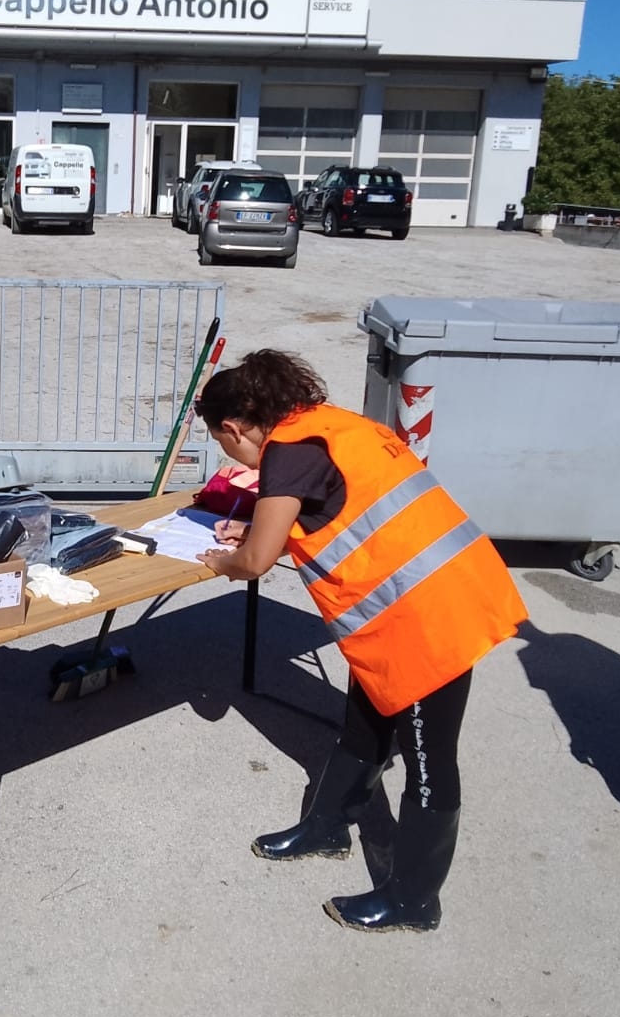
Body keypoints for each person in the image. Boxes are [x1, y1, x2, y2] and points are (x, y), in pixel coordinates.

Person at [195, 350, 526, 933]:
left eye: (229, 448)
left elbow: (255, 562)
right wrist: (256, 524)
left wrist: (229, 557)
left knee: (428, 758)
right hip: (422, 597)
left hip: (431, 614)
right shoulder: (329, 423)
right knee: (364, 723)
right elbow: (331, 506)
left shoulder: (288, 452)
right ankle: (328, 827)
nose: (238, 459)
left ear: (234, 427)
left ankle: (415, 900)